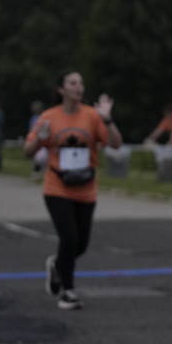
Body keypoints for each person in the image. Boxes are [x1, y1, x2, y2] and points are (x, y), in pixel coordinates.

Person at [24, 71, 123, 310]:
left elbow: (116, 144)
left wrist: (108, 119)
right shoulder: (49, 117)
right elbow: (28, 152)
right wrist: (40, 138)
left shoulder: (92, 116)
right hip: (57, 187)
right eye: (73, 83)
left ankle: (58, 265)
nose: (79, 87)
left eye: (81, 83)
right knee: (68, 238)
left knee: (81, 244)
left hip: (86, 188)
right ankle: (68, 291)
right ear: (61, 89)